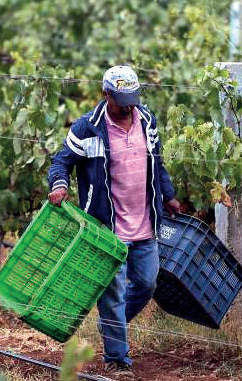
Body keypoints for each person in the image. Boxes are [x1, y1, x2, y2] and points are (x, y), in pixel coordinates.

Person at [48, 65, 181, 376]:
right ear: (105, 94)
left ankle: (111, 327)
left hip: (145, 223)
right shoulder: (87, 128)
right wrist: (59, 185)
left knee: (147, 284)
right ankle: (117, 360)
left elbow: (157, 163)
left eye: (132, 97)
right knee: (114, 293)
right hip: (108, 229)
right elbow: (61, 161)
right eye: (121, 98)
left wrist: (168, 194)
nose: (128, 105)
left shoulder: (147, 121)